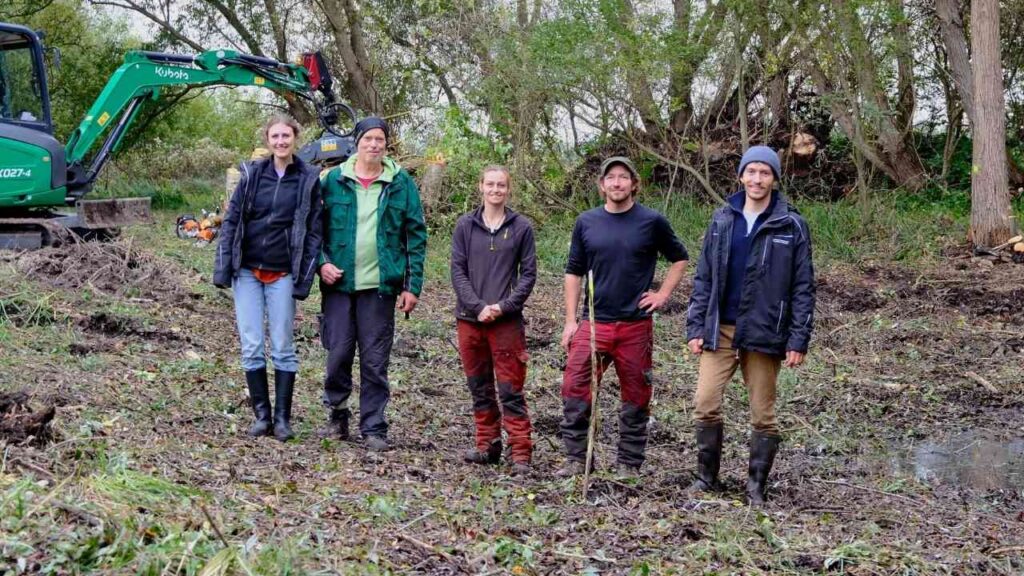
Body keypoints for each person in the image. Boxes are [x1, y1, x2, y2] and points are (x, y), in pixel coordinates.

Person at [685, 145, 815, 505]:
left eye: (765, 173)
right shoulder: (722, 219)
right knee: (705, 402)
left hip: (764, 330)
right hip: (721, 329)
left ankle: (756, 486)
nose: (757, 179)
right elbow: (704, 276)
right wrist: (696, 326)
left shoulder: (791, 225)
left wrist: (798, 338)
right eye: (752, 172)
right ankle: (706, 478)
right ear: (741, 176)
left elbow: (803, 285)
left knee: (763, 413)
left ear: (774, 179)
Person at [558, 156, 689, 477]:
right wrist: (571, 320)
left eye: (623, 177)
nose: (617, 183)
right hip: (594, 323)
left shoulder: (652, 221)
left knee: (636, 394)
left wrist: (662, 294)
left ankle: (628, 463)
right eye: (611, 177)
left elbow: (680, 258)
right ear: (602, 185)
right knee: (575, 388)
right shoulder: (586, 222)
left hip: (635, 325)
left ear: (633, 184)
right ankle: (577, 459)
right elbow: (573, 272)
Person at [317, 116, 428, 452]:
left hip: (380, 286)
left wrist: (412, 285)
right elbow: (313, 230)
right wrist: (322, 263)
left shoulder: (400, 183)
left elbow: (415, 235)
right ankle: (337, 414)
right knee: (338, 354)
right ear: (357, 142)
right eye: (368, 139)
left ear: (386, 144)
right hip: (339, 285)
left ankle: (374, 427)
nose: (374, 145)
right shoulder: (333, 180)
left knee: (375, 360)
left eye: (380, 139)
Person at [213, 113, 323, 442]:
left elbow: (314, 230)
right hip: (247, 271)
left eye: (286, 136)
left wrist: (305, 276)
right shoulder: (252, 175)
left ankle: (282, 419)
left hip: (282, 272)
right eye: (275, 136)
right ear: (267, 140)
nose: (280, 141)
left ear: (295, 138)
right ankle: (262, 416)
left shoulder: (307, 179)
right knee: (251, 344)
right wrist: (223, 267)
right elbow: (232, 221)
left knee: (283, 345)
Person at [450, 166, 537, 475]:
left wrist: (504, 306)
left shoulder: (521, 227)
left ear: (508, 190)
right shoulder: (465, 225)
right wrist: (477, 307)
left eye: (501, 185)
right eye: (490, 184)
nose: (495, 190)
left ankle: (520, 451)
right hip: (470, 319)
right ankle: (487, 444)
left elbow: (528, 275)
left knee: (511, 388)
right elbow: (457, 271)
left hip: (506, 322)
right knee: (479, 385)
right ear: (481, 187)